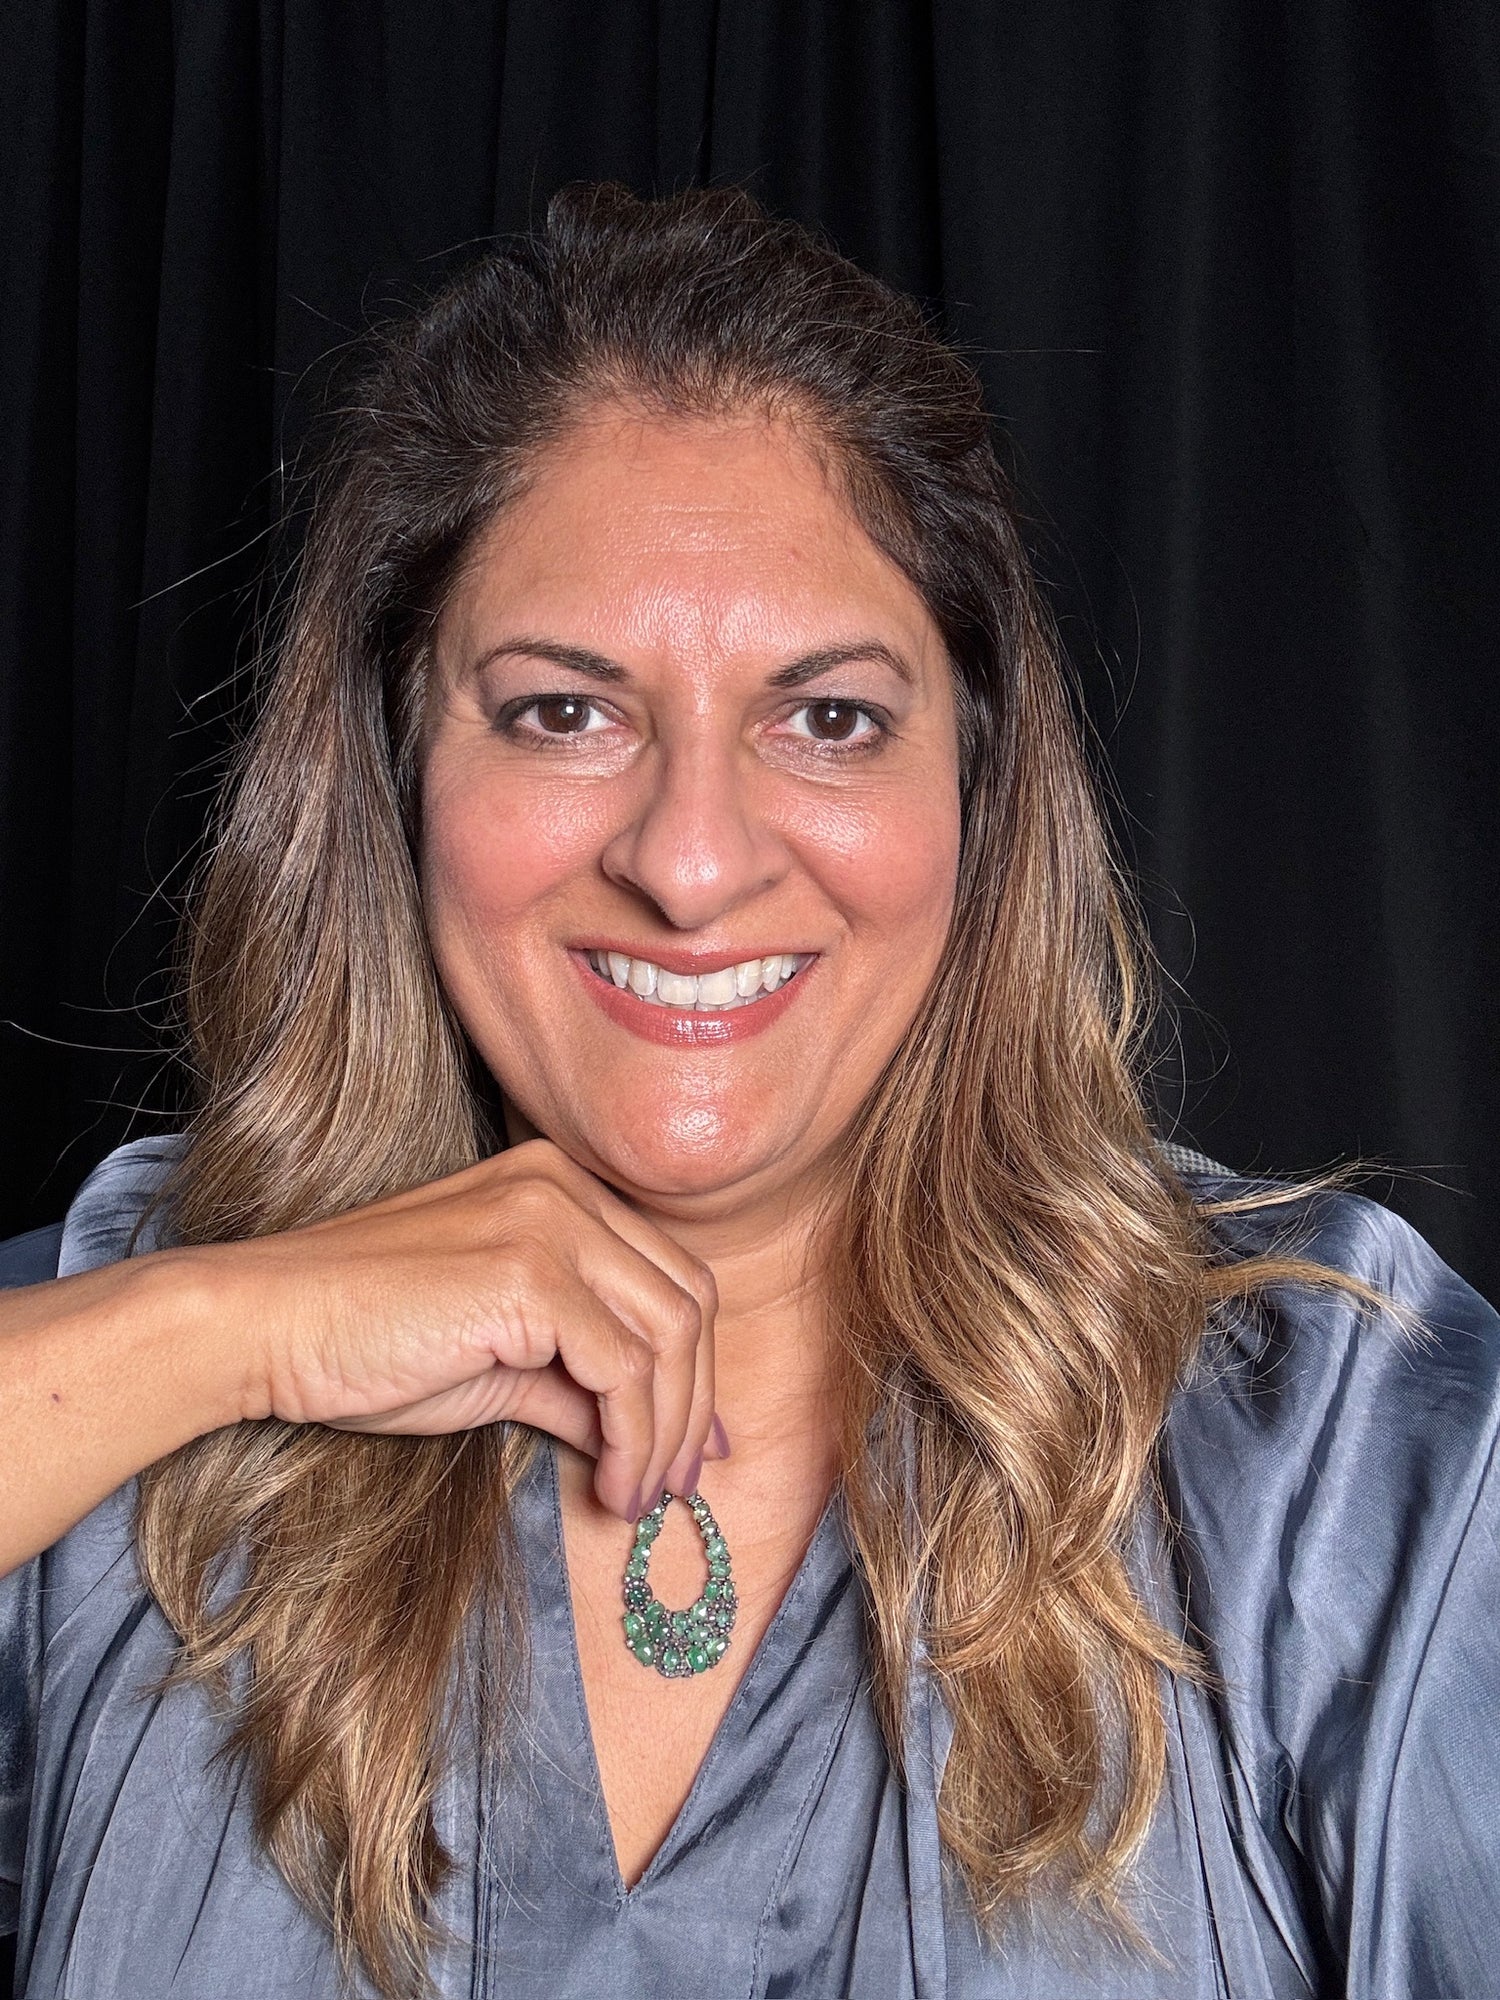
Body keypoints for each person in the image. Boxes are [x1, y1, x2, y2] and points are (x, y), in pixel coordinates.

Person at [1, 183, 1496, 2000]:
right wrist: (223, 1330)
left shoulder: (1333, 1457)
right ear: (397, 764)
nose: (692, 864)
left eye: (830, 717)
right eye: (565, 710)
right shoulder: (135, 1360)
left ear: (981, 778)